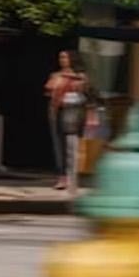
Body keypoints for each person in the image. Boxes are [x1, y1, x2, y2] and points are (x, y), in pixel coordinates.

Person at [44, 50, 91, 190]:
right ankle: (62, 176)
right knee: (59, 143)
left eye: (65, 57)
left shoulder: (80, 76)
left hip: (74, 110)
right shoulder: (56, 75)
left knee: (72, 144)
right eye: (61, 57)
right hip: (58, 110)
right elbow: (49, 91)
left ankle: (72, 176)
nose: (63, 60)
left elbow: (85, 89)